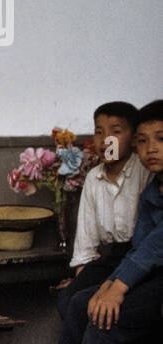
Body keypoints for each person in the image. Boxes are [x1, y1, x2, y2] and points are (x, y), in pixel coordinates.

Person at [29, 98, 163, 344]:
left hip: (152, 272)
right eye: (146, 141)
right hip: (138, 267)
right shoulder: (154, 191)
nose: (151, 149)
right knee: (81, 302)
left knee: (108, 315)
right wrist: (105, 282)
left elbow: (153, 247)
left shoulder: (144, 179)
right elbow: (141, 247)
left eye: (160, 139)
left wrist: (117, 287)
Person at [57, 102, 148, 319]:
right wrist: (82, 279)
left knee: (87, 304)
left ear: (134, 138)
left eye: (115, 132)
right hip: (110, 260)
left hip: (140, 259)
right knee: (69, 299)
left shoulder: (144, 171)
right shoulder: (93, 178)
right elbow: (86, 243)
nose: (106, 140)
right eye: (99, 132)